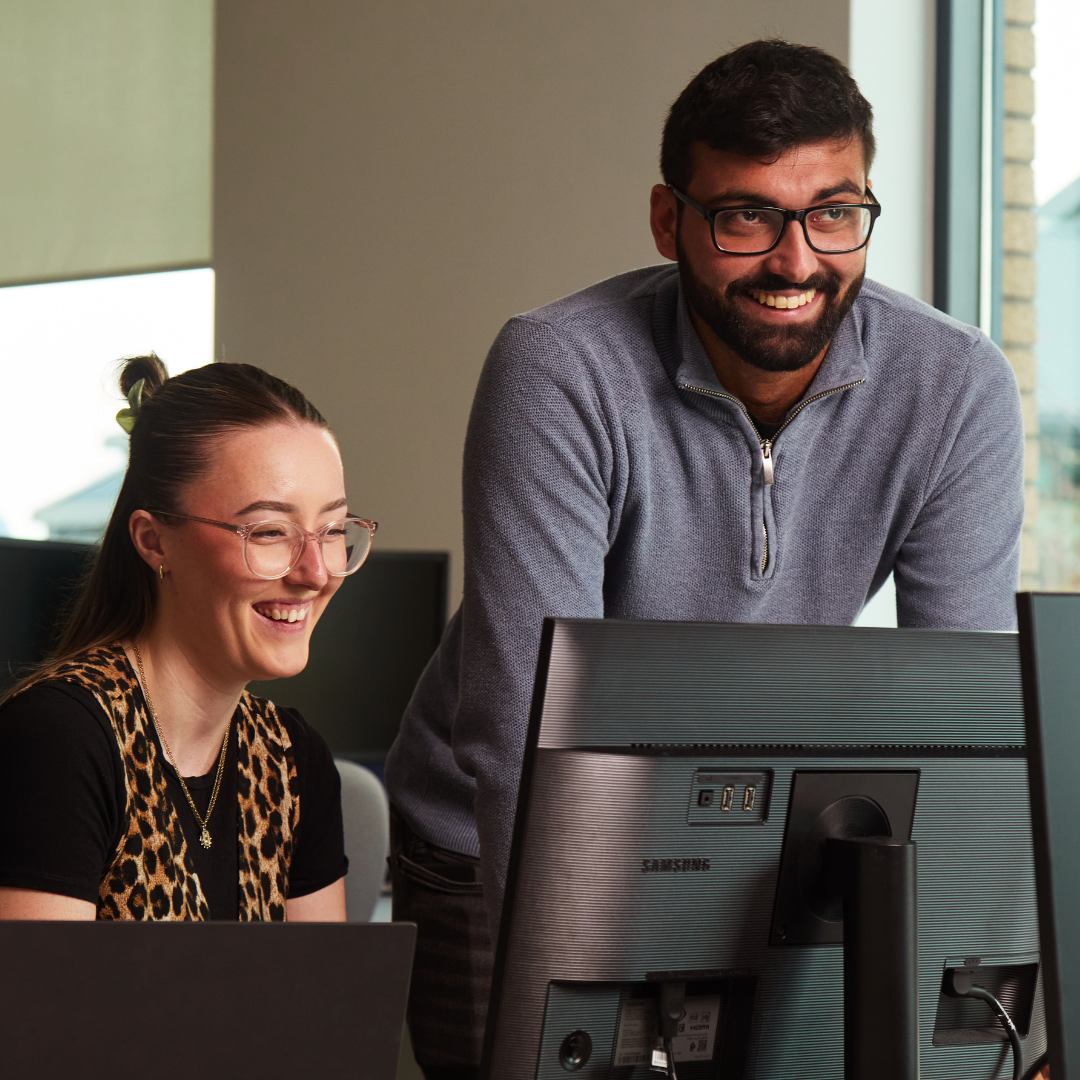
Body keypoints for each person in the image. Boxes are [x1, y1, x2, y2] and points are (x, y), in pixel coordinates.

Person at [384, 38, 1025, 1077]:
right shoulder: (561, 367)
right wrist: (555, 1022)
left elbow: (965, 723)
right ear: (667, 218)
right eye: (746, 216)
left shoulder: (955, 388)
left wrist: (963, 995)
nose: (796, 260)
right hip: (496, 839)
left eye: (835, 212)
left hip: (753, 843)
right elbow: (521, 726)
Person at [0, 355, 377, 922]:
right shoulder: (59, 741)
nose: (316, 572)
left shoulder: (294, 761)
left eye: (331, 531)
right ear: (154, 542)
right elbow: (42, 1010)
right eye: (270, 531)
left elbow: (322, 1009)